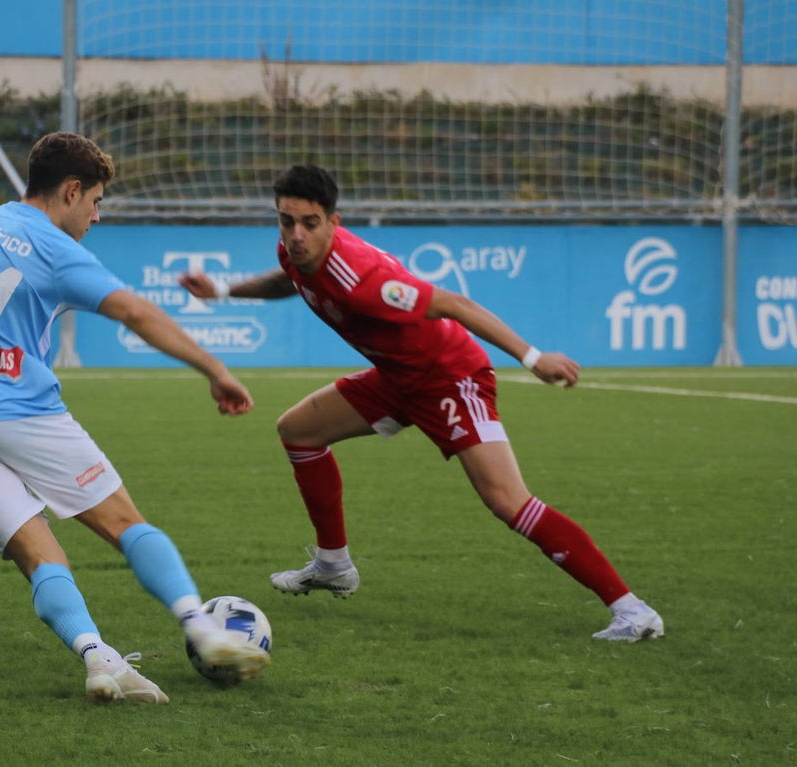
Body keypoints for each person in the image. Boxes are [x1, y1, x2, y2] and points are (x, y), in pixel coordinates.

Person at [178, 164, 664, 642]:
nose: (296, 234)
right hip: (397, 377)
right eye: (287, 221)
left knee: (507, 501)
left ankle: (632, 610)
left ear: (333, 222)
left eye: (309, 223)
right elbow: (288, 278)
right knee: (299, 431)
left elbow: (456, 304)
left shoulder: (364, 281)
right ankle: (333, 565)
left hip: (450, 377)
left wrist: (533, 358)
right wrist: (223, 290)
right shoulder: (294, 251)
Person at [0, 131, 269, 704]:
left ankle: (97, 658)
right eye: (97, 201)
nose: (97, 216)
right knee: (123, 524)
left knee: (38, 554)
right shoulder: (54, 248)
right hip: (19, 409)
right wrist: (215, 370)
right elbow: (133, 310)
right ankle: (204, 631)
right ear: (72, 190)